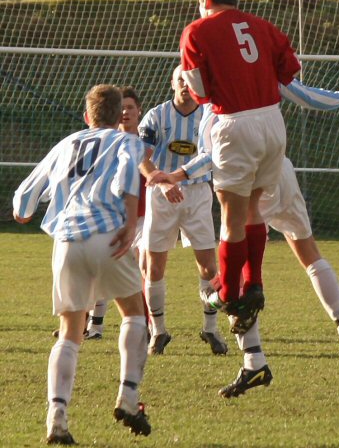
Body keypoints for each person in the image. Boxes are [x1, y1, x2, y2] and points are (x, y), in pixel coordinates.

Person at [149, 78, 339, 397]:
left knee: (232, 276)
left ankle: (253, 359)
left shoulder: (216, 108)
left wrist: (178, 174)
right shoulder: (256, 73)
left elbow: (211, 157)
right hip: (280, 171)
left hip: (245, 179)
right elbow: (301, 93)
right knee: (309, 254)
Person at [13, 85, 151, 443]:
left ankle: (56, 416)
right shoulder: (126, 141)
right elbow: (127, 177)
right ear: (120, 114)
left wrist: (24, 212)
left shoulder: (66, 143)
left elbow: (25, 199)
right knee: (135, 314)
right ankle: (129, 395)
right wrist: (131, 222)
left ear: (87, 116)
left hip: (66, 242)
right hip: (107, 234)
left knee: (70, 332)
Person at [180, 0, 301, 340]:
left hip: (233, 122)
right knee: (253, 209)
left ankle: (229, 294)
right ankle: (254, 284)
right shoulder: (263, 26)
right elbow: (289, 71)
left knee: (231, 214)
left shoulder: (196, 31)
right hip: (272, 122)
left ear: (205, 0)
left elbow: (199, 90)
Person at [138, 65, 228, 356]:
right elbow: (142, 156)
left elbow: (213, 156)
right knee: (155, 266)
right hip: (162, 195)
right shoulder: (156, 115)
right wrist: (164, 184)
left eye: (190, 82)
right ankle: (159, 332)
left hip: (199, 193)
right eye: (180, 81)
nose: (185, 87)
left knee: (208, 266)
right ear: (172, 83)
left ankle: (210, 329)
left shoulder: (209, 114)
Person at [85, 86, 147, 340]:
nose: (125, 112)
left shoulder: (146, 141)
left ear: (139, 111)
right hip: (110, 218)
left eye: (130, 107)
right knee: (100, 268)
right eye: (121, 107)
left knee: (142, 269)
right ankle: (93, 326)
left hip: (143, 218)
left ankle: (150, 327)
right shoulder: (105, 145)